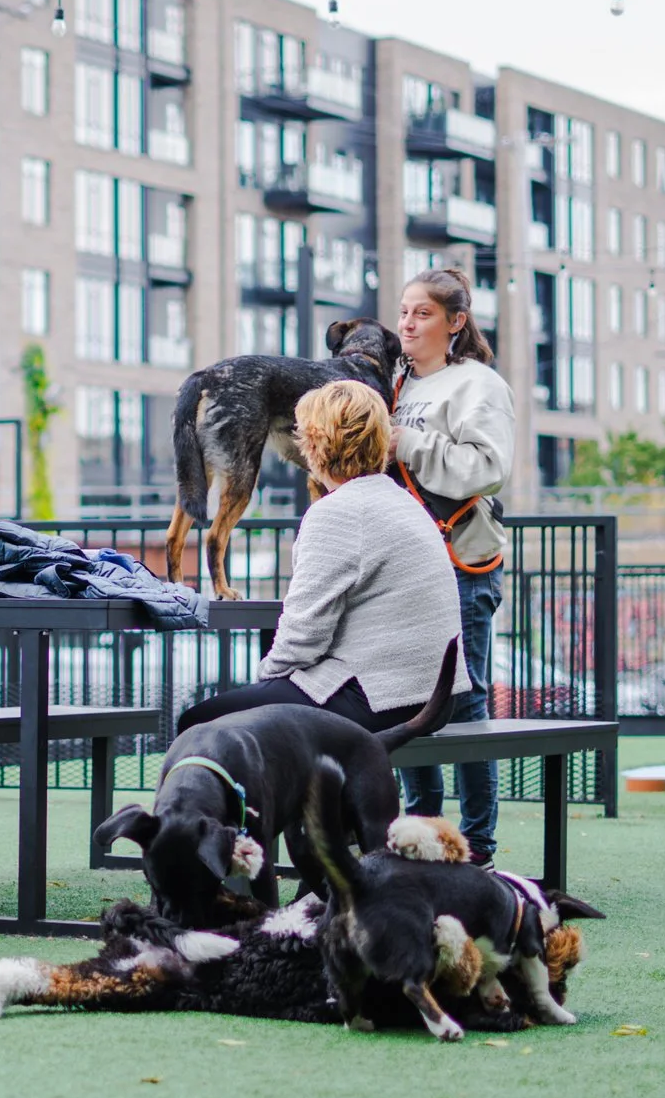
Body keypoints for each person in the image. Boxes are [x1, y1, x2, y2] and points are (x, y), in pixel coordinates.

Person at [177, 379, 469, 744]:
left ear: (313, 444)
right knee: (262, 710)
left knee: (196, 721)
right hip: (436, 696)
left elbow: (303, 637)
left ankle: (248, 804)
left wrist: (266, 680)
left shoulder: (338, 512)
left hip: (381, 696)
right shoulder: (402, 502)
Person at [385, 267, 519, 862]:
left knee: (464, 700)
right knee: (407, 698)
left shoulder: (477, 385)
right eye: (405, 311)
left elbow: (487, 468)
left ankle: (478, 848)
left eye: (424, 313)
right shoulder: (393, 383)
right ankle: (423, 837)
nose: (408, 323)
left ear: (456, 322)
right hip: (399, 565)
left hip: (459, 558)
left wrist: (403, 441)